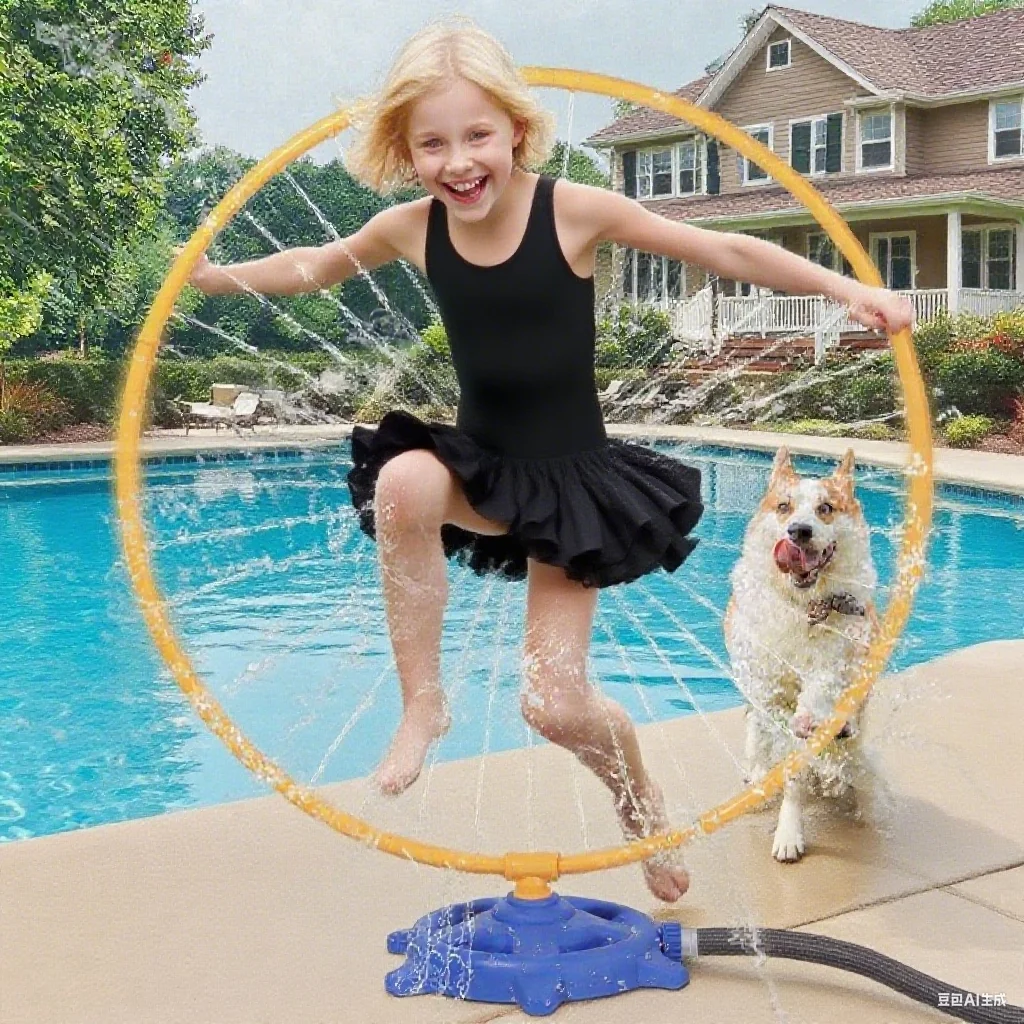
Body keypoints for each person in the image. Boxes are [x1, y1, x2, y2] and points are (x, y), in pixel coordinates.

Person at [186, 17, 913, 902]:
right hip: (483, 468)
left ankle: (639, 801)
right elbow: (313, 264)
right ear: (407, 151)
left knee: (554, 706)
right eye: (433, 143)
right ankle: (423, 700)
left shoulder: (573, 210)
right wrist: (215, 277)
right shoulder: (410, 227)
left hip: (572, 486)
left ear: (518, 132)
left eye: (478, 135)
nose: (458, 160)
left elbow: (722, 248)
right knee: (404, 479)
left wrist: (850, 289)